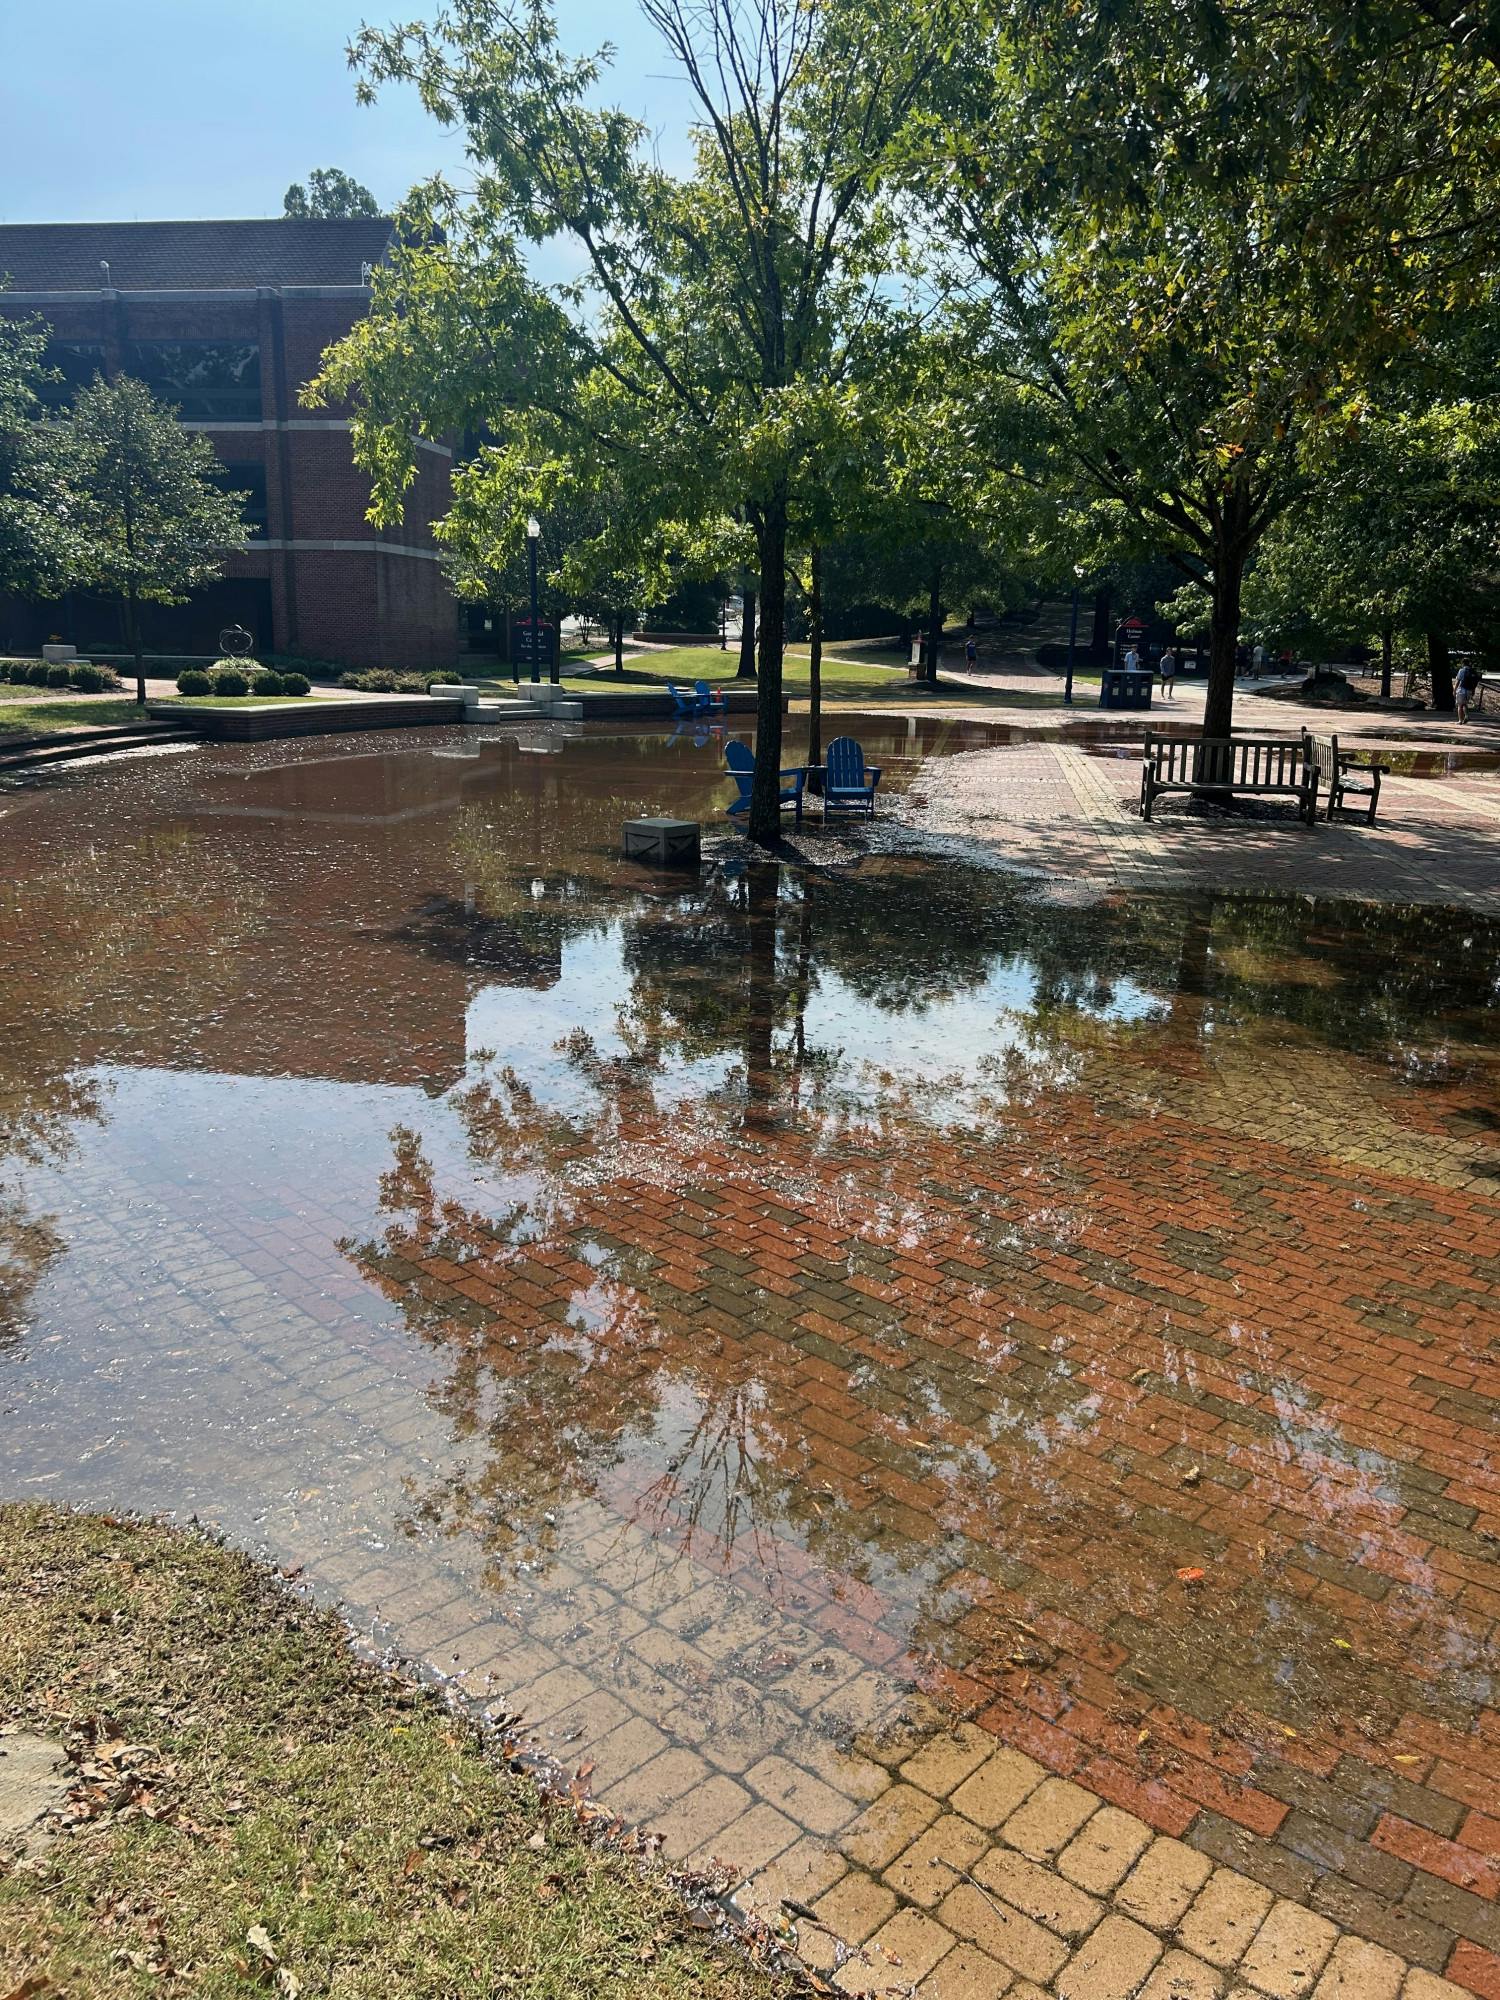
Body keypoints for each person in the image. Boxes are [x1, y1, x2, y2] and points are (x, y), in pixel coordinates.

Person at [1457, 657, 1482, 722]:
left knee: (1460, 705)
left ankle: (1460, 720)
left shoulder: (1461, 670)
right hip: (1469, 690)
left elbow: (1458, 681)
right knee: (1465, 704)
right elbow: (1475, 681)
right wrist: (1473, 690)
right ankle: (1467, 715)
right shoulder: (1472, 671)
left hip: (1462, 689)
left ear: (1462, 663)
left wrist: (1454, 690)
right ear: (1469, 663)